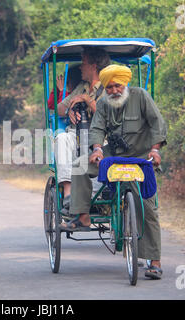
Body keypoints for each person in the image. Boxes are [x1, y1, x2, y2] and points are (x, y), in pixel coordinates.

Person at [62, 64, 167, 279]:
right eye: (109, 87)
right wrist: (97, 149)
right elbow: (97, 128)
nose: (114, 91)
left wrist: (155, 150)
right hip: (114, 156)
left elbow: (158, 123)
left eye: (117, 86)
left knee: (148, 207)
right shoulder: (103, 104)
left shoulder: (141, 96)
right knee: (80, 164)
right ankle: (82, 215)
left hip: (141, 159)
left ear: (125, 84)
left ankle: (154, 262)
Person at [53, 47, 111, 210]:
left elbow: (108, 116)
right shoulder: (82, 86)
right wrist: (70, 109)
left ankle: (96, 195)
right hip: (77, 134)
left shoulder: (109, 87)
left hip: (100, 136)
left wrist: (87, 100)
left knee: (99, 148)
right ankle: (68, 194)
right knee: (62, 139)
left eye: (83, 62)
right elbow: (58, 109)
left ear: (93, 66)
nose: (80, 67)